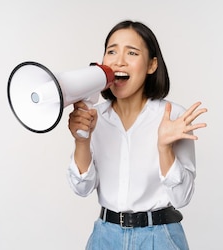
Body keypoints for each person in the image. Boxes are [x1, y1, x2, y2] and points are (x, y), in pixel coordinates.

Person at [66, 20, 207, 250]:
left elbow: (182, 198)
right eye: (111, 51)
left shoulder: (172, 117)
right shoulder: (94, 118)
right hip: (105, 237)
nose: (119, 60)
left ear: (152, 65)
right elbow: (81, 188)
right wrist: (82, 141)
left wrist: (164, 148)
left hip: (159, 238)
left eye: (132, 53)